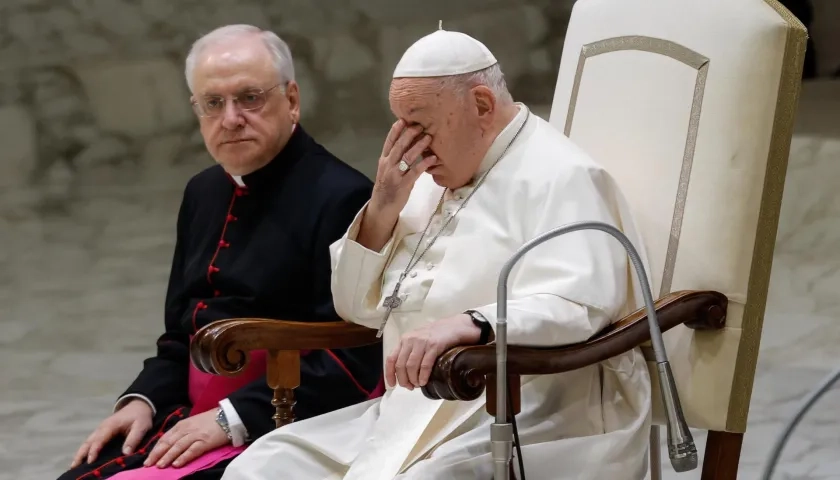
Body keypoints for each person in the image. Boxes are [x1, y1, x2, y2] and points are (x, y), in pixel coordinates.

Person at [222, 28, 653, 480]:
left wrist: (473, 323)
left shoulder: (563, 176)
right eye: (401, 125)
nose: (409, 145)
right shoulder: (427, 178)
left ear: (481, 106)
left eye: (420, 125)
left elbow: (580, 306)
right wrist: (383, 205)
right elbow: (357, 309)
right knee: (261, 467)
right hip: (410, 413)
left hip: (531, 413)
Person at [59, 25, 383, 480]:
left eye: (250, 97)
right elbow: (180, 335)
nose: (231, 118)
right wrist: (142, 400)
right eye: (213, 103)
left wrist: (229, 418)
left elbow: (352, 360)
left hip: (286, 424)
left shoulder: (343, 196)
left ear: (291, 100)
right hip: (188, 413)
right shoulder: (203, 192)